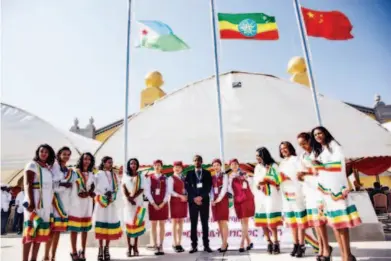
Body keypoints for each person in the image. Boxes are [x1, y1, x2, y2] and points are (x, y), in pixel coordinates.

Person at [311, 126, 361, 261]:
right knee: (336, 225)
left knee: (342, 225)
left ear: (325, 133)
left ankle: (347, 255)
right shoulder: (321, 150)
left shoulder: (335, 146)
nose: (317, 136)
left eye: (319, 133)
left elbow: (338, 166)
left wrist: (319, 165)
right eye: (315, 135)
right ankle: (345, 255)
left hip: (337, 189)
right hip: (326, 191)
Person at [297, 132, 331, 261]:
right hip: (309, 191)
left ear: (310, 141)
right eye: (300, 145)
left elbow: (323, 170)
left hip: (319, 191)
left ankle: (326, 248)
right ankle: (321, 247)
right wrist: (300, 176)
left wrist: (307, 172)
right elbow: (302, 172)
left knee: (321, 221)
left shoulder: (319, 153)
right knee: (315, 223)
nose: (303, 146)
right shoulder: (302, 156)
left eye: (304, 143)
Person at [22, 144, 56, 261]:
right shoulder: (32, 165)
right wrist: (31, 202)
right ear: (38, 152)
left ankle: (34, 259)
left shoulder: (47, 168)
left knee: (40, 232)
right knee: (31, 232)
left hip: (45, 205)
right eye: (42, 151)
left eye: (46, 152)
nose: (44, 154)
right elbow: (27, 184)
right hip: (34, 202)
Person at [43, 147, 74, 261]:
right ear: (59, 154)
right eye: (64, 154)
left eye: (68, 154)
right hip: (54, 201)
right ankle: (46, 255)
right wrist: (63, 185)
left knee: (58, 232)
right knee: (51, 231)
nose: (66, 156)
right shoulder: (53, 166)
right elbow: (51, 184)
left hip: (64, 202)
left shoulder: (67, 169)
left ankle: (53, 256)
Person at [279, 141, 308, 258]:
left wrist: (288, 177)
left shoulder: (296, 159)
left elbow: (301, 175)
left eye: (285, 148)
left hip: (296, 193)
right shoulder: (281, 163)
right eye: (281, 149)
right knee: (292, 222)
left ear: (290, 148)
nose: (284, 150)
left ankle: (302, 245)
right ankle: (295, 244)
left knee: (300, 221)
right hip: (286, 195)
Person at [253, 147, 283, 255]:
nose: (257, 158)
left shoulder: (273, 165)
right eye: (256, 156)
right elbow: (255, 179)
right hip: (260, 196)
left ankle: (276, 242)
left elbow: (278, 179)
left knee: (272, 221)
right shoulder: (257, 167)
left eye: (258, 155)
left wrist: (267, 180)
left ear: (264, 155)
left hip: (271, 195)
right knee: (263, 221)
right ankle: (268, 242)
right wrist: (258, 183)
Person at [68, 152, 96, 261]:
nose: (87, 161)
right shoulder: (74, 173)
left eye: (89, 159)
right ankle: (74, 252)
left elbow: (94, 187)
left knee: (85, 229)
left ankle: (83, 251)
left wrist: (92, 193)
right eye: (85, 159)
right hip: (75, 203)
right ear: (81, 160)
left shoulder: (92, 174)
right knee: (74, 229)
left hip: (87, 204)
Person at [94, 156, 122, 261]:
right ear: (104, 163)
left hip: (111, 203)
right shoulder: (98, 174)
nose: (111, 164)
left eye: (112, 162)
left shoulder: (114, 175)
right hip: (101, 203)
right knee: (102, 225)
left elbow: (118, 188)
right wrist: (103, 196)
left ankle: (107, 248)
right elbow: (95, 188)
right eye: (109, 162)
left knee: (109, 226)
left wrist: (113, 197)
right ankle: (100, 248)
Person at [185, 155, 213, 253]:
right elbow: (188, 187)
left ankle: (206, 245)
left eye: (199, 160)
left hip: (204, 201)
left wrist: (201, 197)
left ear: (202, 162)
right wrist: (194, 198)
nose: (197, 162)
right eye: (195, 160)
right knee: (193, 224)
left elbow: (208, 186)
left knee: (205, 224)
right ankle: (194, 246)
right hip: (193, 202)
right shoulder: (189, 174)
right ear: (193, 162)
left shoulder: (207, 173)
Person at [144, 160, 172, 255]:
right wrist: (153, 203)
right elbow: (147, 191)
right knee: (153, 225)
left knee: (162, 225)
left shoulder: (166, 178)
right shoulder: (149, 178)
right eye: (155, 165)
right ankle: (155, 245)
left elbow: (168, 191)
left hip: (163, 203)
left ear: (161, 167)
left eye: (159, 165)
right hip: (153, 204)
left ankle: (161, 245)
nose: (157, 167)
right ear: (153, 166)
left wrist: (163, 202)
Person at [229, 158, 255, 252]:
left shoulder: (244, 174)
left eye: (235, 164)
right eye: (232, 164)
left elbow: (252, 183)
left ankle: (242, 243)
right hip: (237, 200)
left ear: (238, 165)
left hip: (246, 199)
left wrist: (247, 177)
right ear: (230, 166)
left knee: (245, 221)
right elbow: (229, 189)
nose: (234, 166)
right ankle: (249, 242)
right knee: (242, 223)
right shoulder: (230, 176)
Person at [123, 158, 145, 257]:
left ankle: (135, 246)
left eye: (135, 163)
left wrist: (134, 197)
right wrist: (129, 198)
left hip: (138, 202)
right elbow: (123, 188)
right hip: (128, 204)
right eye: (131, 163)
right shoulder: (125, 176)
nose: (133, 165)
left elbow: (142, 189)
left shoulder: (141, 176)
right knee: (129, 224)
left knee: (137, 224)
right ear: (129, 165)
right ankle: (128, 247)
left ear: (137, 165)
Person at [211, 159, 229, 252]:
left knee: (223, 222)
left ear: (220, 166)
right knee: (219, 223)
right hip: (214, 202)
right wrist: (212, 200)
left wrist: (218, 200)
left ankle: (224, 243)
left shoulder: (224, 176)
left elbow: (224, 189)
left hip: (222, 200)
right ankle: (223, 243)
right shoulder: (212, 177)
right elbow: (211, 190)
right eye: (214, 165)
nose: (216, 167)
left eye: (218, 165)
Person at [169, 161, 188, 253]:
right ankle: (174, 243)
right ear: (173, 168)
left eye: (179, 167)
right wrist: (180, 196)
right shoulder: (171, 178)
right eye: (176, 167)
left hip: (183, 201)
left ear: (182, 168)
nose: (177, 168)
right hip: (175, 201)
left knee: (181, 222)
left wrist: (187, 196)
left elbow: (187, 189)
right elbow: (170, 191)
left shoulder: (184, 178)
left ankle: (179, 243)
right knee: (174, 222)